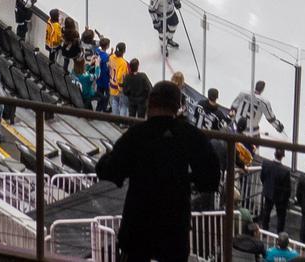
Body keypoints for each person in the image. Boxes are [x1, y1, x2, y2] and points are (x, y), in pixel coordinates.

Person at [94, 81, 220, 262]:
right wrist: (186, 179)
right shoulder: (191, 135)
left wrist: (110, 157)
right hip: (174, 230)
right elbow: (210, 178)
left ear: (150, 103)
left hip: (138, 226)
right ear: (177, 106)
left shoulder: (136, 134)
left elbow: (109, 171)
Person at [256, 149, 292, 234]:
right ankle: (279, 234)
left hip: (268, 192)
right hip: (280, 197)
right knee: (281, 216)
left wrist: (266, 186)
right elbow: (287, 188)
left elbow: (262, 177)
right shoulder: (285, 171)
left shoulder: (266, 164)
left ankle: (264, 231)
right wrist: (286, 198)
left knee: (266, 212)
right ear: (282, 157)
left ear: (274, 153)